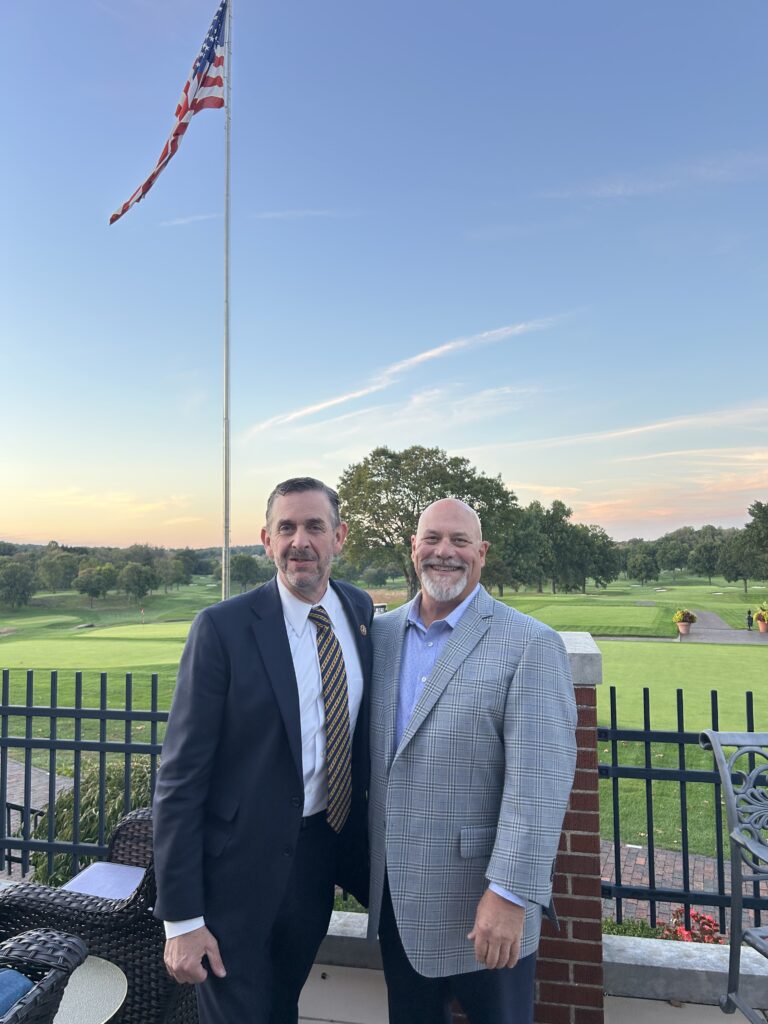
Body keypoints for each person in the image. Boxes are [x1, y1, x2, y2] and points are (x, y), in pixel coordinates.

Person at [153, 477, 373, 1024]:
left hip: (317, 861)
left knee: (282, 1009)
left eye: (315, 526)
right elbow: (179, 780)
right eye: (287, 528)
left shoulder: (359, 611)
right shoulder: (222, 629)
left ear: (339, 536)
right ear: (266, 539)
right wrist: (181, 919)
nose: (301, 541)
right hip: (234, 879)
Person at [367, 498, 577, 1024]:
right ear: (413, 548)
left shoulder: (530, 643)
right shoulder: (383, 636)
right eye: (432, 539)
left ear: (481, 553)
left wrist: (510, 893)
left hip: (486, 907)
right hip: (401, 905)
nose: (445, 552)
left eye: (460, 542)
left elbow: (541, 781)